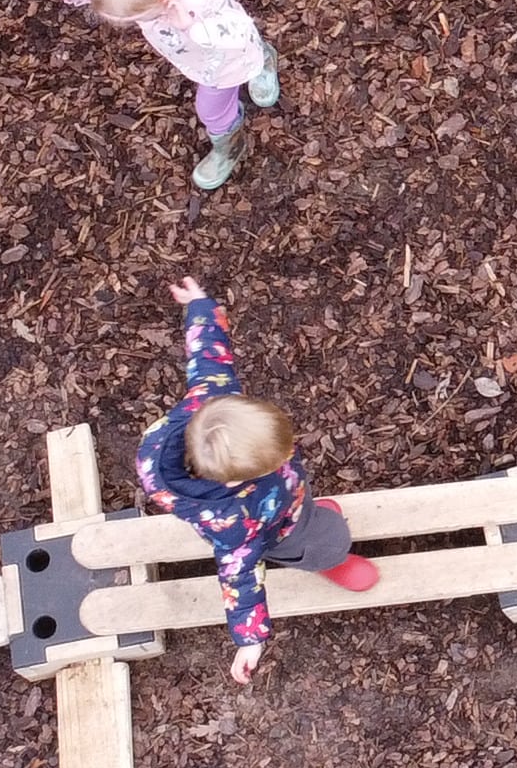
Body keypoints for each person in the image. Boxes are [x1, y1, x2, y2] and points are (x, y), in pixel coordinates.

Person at [130, 278, 378, 684]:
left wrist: (200, 308)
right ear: (241, 479)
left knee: (309, 506)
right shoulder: (234, 522)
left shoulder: (212, 402)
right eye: (275, 459)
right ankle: (326, 560)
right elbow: (238, 574)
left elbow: (209, 357)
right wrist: (250, 638)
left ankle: (309, 513)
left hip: (286, 497)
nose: (289, 454)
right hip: (278, 528)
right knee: (316, 540)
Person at [54, 0, 281, 191]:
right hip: (203, 55)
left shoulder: (195, 1)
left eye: (132, 20)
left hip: (223, 62)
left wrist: (193, 28)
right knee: (251, 51)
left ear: (159, 1)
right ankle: (262, 59)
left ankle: (231, 144)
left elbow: (239, 31)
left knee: (212, 110)